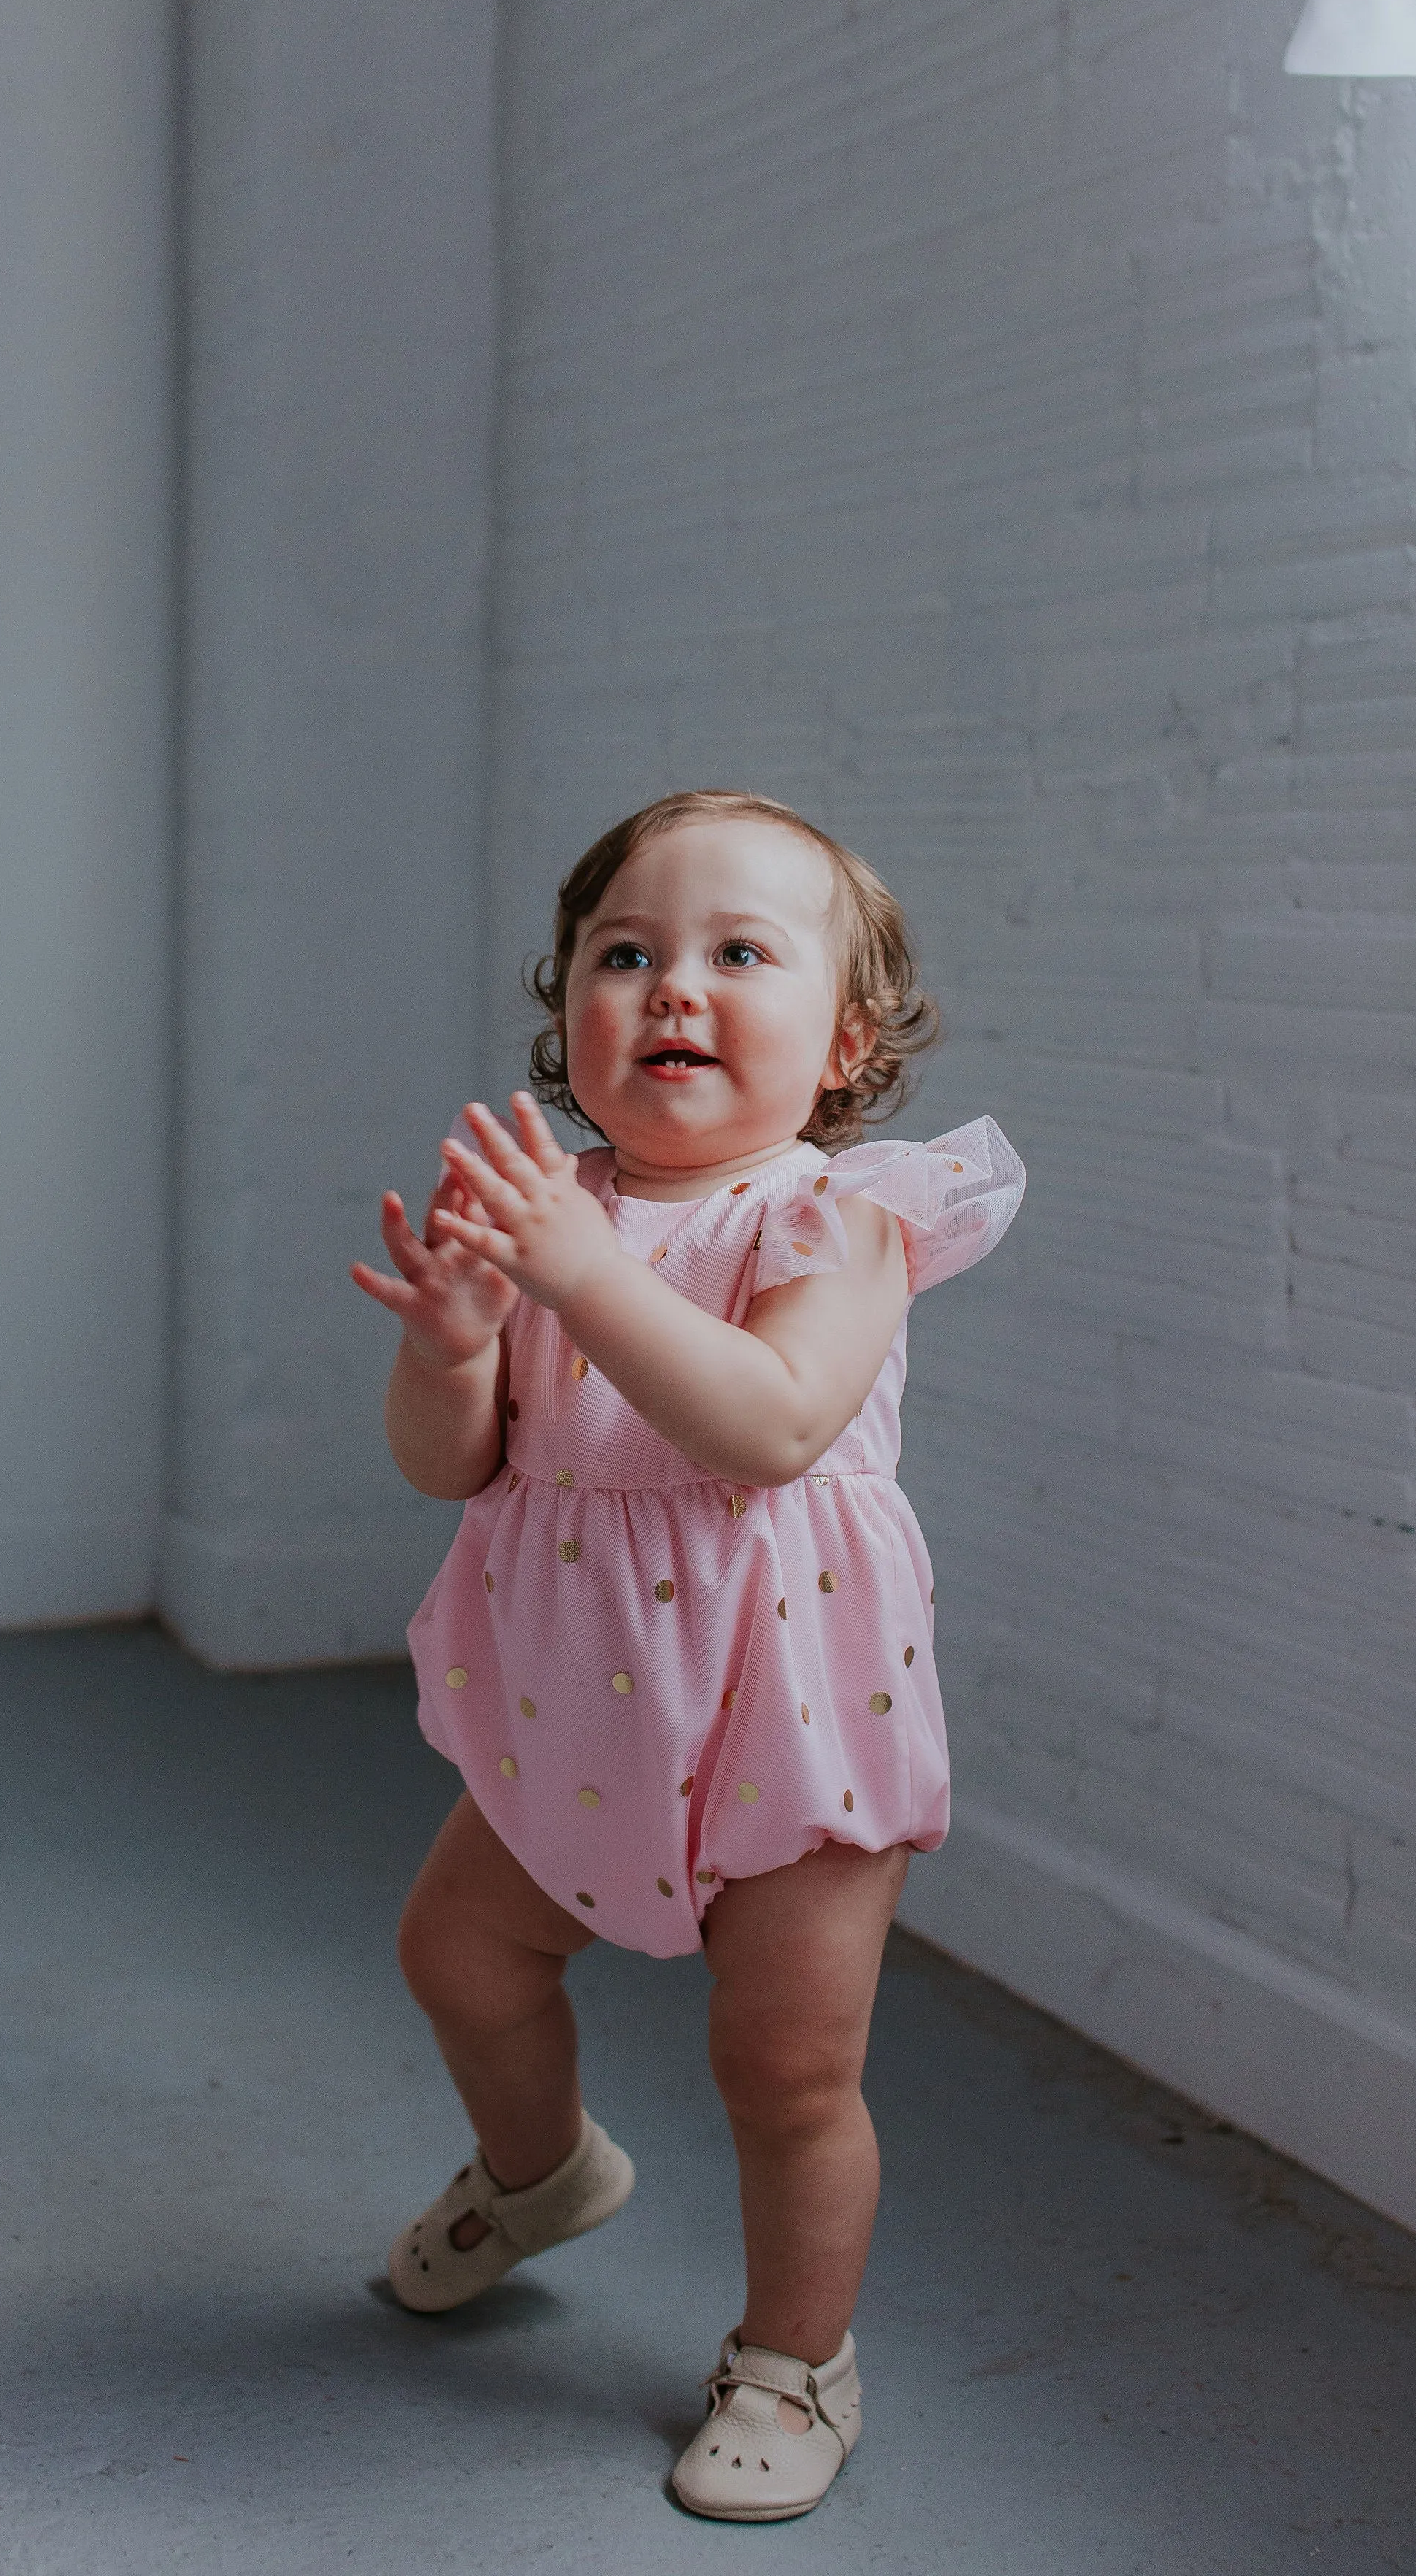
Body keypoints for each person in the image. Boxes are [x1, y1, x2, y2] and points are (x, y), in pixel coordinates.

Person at [350, 788, 1023, 2521]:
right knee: (458, 1953)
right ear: (567, 1003)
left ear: (844, 1036)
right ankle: (541, 2170)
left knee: (786, 2067)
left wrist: (581, 1277)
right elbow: (460, 1466)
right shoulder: (554, 1205)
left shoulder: (845, 1216)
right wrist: (454, 1346)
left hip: (795, 1710)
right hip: (581, 1698)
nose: (671, 990)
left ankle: (800, 2362)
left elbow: (771, 1425)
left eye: (739, 954)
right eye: (624, 953)